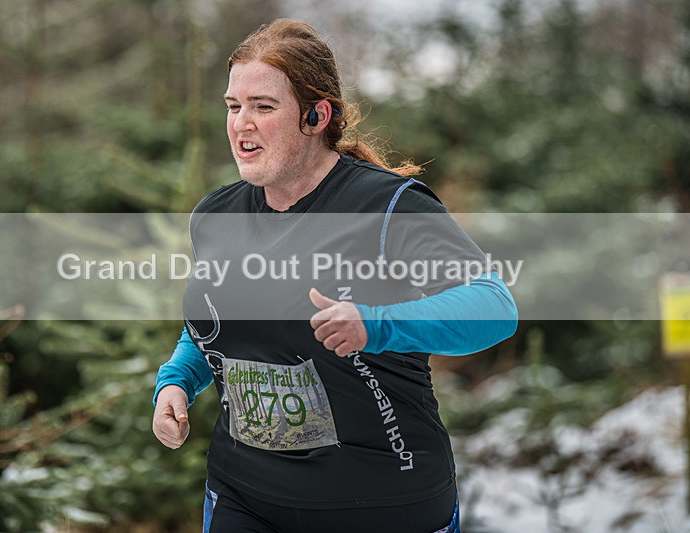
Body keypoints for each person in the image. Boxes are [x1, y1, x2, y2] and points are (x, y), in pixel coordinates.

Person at [152, 19, 518, 533]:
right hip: (245, 496)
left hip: (382, 501)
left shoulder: (386, 208)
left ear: (316, 116)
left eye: (263, 106)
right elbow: (212, 319)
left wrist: (376, 323)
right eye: (234, 106)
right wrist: (178, 380)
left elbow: (493, 307)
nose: (241, 123)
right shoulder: (216, 216)